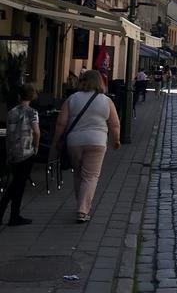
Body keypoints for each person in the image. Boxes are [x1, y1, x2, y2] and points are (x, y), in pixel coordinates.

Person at [52, 70, 121, 224]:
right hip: (97, 141)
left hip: (74, 141)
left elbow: (61, 122)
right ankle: (83, 210)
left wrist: (57, 140)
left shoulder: (72, 99)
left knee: (78, 174)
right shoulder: (106, 101)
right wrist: (116, 140)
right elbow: (114, 124)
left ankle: (81, 204)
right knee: (91, 176)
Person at [0, 83, 40, 226]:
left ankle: (9, 213)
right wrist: (36, 146)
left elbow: (9, 133)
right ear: (32, 96)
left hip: (13, 151)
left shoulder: (11, 112)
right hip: (26, 151)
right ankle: (13, 215)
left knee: (16, 183)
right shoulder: (32, 112)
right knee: (18, 184)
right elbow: (36, 131)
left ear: (19, 95)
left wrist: (8, 151)